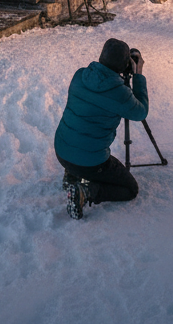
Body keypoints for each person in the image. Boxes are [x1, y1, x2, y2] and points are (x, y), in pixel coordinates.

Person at [53, 38, 149, 220]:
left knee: (81, 134)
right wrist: (138, 75)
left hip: (62, 151)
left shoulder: (80, 75)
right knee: (130, 189)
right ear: (124, 65)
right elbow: (141, 112)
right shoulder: (120, 94)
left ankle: (73, 175)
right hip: (90, 162)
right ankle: (85, 190)